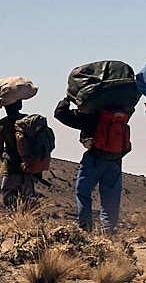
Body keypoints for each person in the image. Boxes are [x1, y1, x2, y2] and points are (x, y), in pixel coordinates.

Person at [54, 94, 130, 234]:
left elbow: (60, 114)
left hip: (94, 159)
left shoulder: (91, 116)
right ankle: (107, 232)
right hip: (114, 160)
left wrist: (67, 99)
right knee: (111, 197)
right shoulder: (123, 114)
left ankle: (84, 229)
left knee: (83, 192)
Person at [0, 98, 42, 209]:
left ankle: (15, 222)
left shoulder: (2, 124)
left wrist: (5, 161)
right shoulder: (28, 121)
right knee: (27, 200)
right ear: (20, 105)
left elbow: (0, 148)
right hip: (28, 165)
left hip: (10, 166)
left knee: (9, 197)